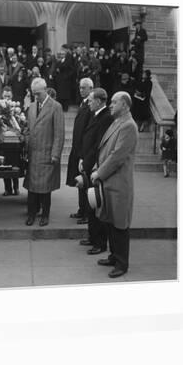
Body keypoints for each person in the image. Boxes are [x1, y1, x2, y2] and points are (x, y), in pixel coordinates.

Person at [90, 91, 138, 278]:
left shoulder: (128, 126)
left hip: (118, 184)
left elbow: (117, 156)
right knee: (110, 221)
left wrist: (98, 173)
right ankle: (113, 256)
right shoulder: (117, 122)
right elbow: (105, 151)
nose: (110, 105)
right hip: (109, 182)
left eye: (114, 102)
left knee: (119, 225)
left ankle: (122, 263)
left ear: (125, 105)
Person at [23, 78, 65, 226]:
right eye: (34, 94)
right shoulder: (32, 107)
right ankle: (31, 215)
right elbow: (28, 129)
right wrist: (25, 143)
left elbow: (59, 133)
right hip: (33, 154)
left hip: (47, 154)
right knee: (32, 188)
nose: (36, 97)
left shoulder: (56, 107)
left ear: (46, 90)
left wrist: (55, 154)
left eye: (38, 93)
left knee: (45, 189)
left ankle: (45, 215)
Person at [78, 88, 114, 254]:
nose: (89, 102)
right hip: (89, 163)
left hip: (96, 165)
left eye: (91, 100)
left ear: (99, 101)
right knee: (91, 204)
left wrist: (86, 163)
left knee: (97, 205)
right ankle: (93, 237)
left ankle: (100, 243)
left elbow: (97, 144)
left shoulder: (105, 117)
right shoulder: (96, 114)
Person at [66, 78, 94, 224]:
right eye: (80, 87)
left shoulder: (90, 105)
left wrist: (83, 154)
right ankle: (81, 210)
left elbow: (88, 132)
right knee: (80, 183)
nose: (81, 90)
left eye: (84, 88)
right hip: (77, 149)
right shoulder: (84, 103)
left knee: (85, 183)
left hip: (84, 152)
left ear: (91, 88)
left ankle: (87, 213)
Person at [1, 87, 19, 196]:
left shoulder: (16, 108)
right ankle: (7, 189)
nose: (7, 98)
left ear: (11, 96)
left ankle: (16, 188)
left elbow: (20, 125)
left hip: (15, 143)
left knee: (15, 165)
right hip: (3, 143)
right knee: (5, 167)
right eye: (5, 96)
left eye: (8, 96)